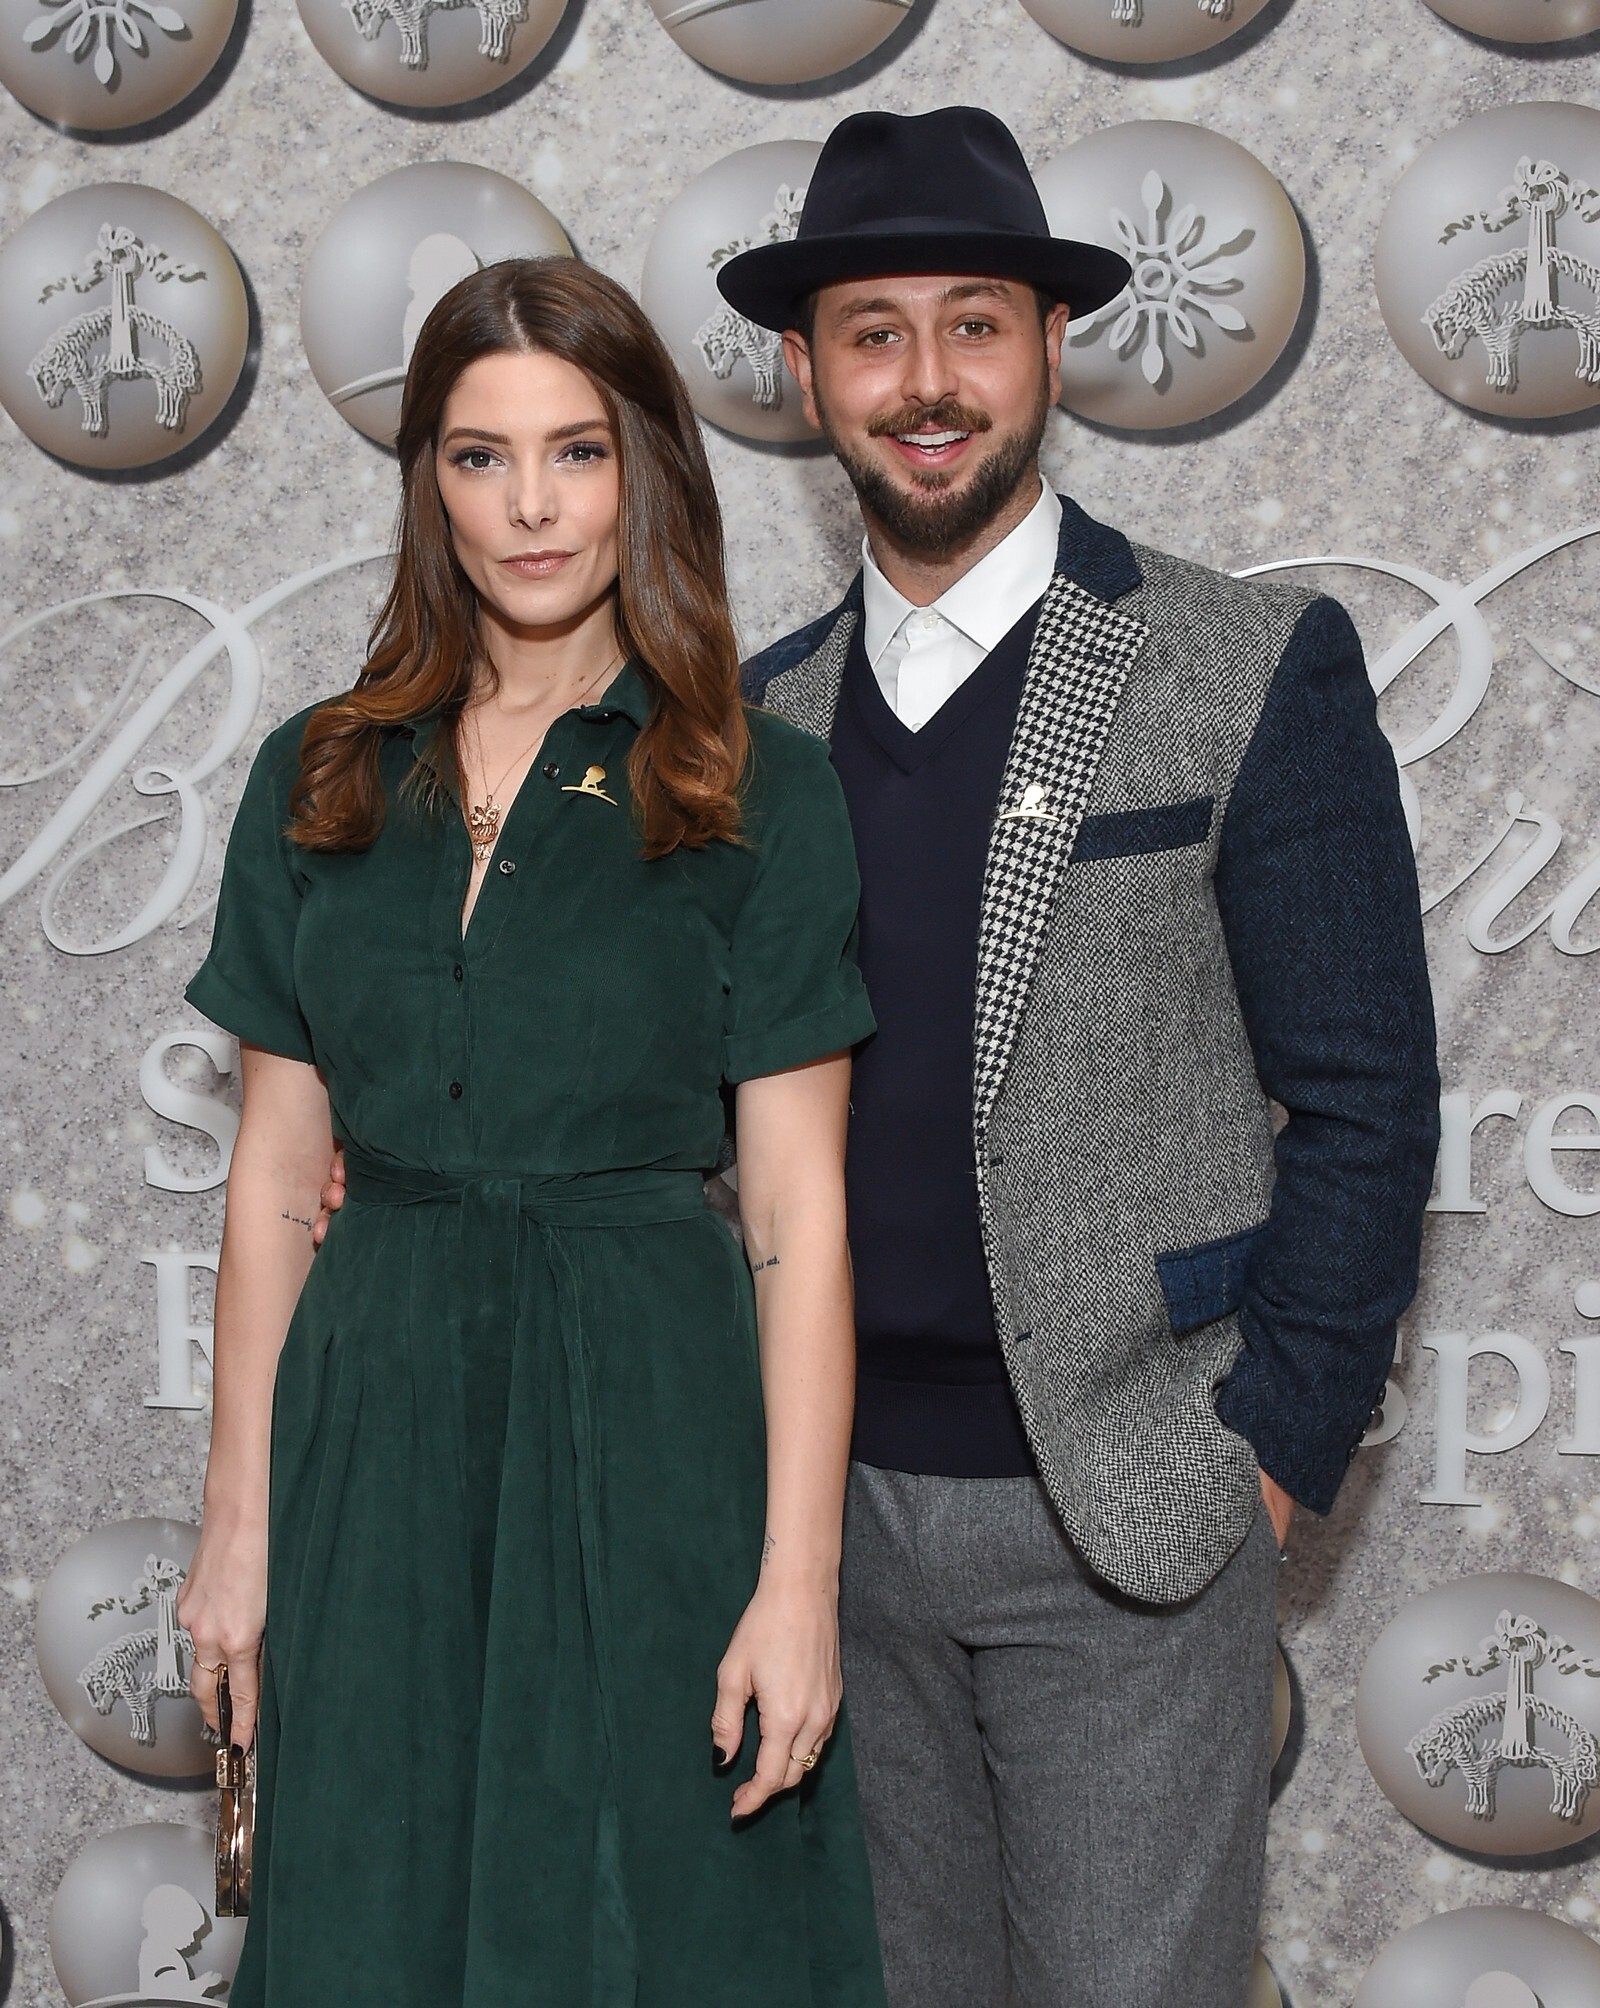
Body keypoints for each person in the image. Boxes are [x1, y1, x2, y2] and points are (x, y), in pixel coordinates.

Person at [714, 106, 1441, 2006]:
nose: (927, 381)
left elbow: (1367, 1096)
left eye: (976, 324)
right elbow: (703, 1113)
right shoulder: (755, 725)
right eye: (874, 333)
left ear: (1051, 345)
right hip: (824, 1525)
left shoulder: (1244, 665)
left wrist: (1263, 1455)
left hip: (1130, 1507)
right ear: (803, 371)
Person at [176, 257, 886, 2008]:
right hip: (375, 1425)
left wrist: (799, 1583)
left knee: (655, 1927)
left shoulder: (758, 786)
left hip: (651, 1424)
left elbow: (795, 1218)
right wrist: (237, 1528)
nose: (532, 506)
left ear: (643, 469)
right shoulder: (320, 776)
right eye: (480, 457)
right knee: (372, 1912)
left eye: (576, 451)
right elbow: (275, 1184)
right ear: (429, 481)